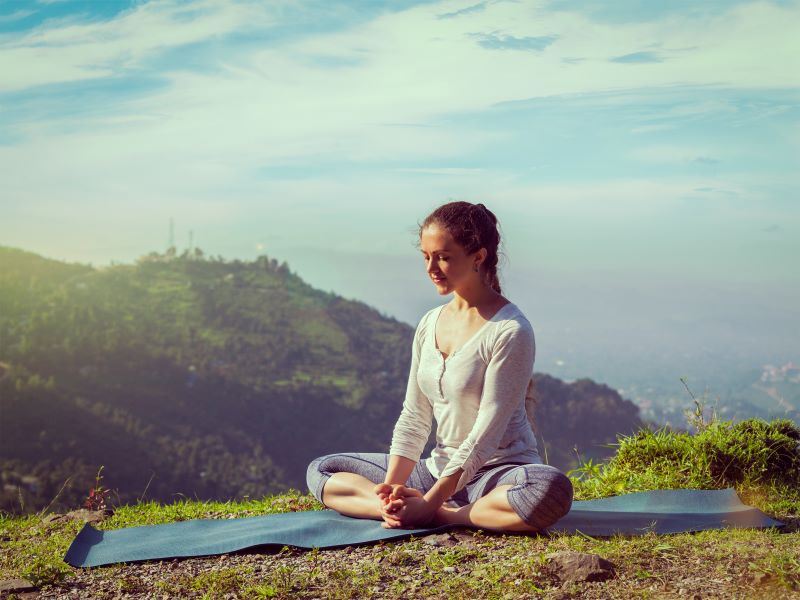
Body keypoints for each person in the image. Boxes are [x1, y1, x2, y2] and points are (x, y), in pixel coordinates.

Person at [306, 201, 573, 532]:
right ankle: (393, 510)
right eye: (426, 256)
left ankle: (446, 515)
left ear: (478, 257)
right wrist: (391, 491)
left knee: (549, 489)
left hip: (495, 473)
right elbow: (414, 417)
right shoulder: (430, 322)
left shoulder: (510, 330)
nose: (432, 267)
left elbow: (484, 438)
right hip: (436, 470)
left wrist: (431, 505)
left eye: (444, 257)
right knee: (323, 469)